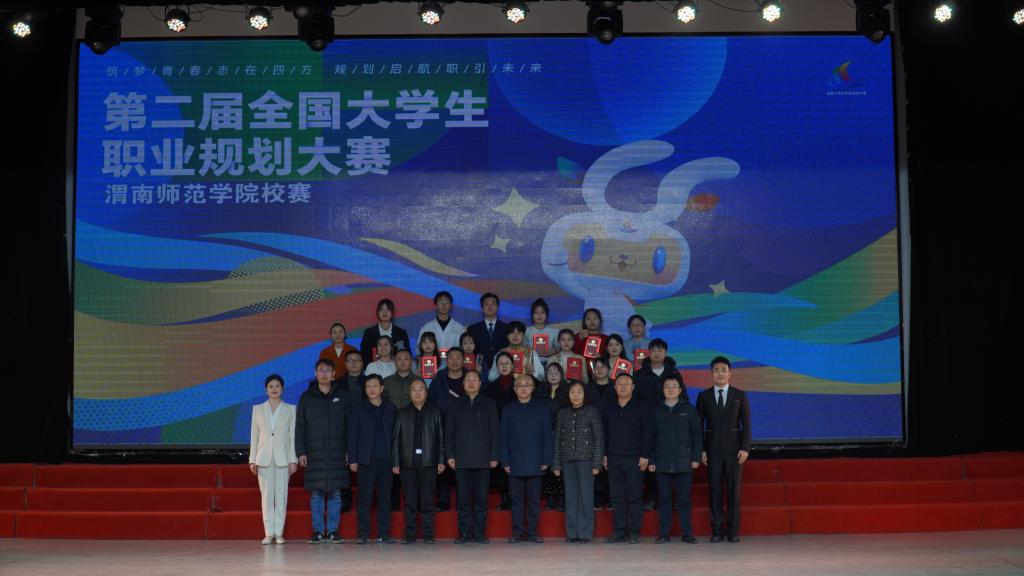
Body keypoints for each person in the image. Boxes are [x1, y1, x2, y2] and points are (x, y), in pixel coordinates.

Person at [696, 356, 751, 543]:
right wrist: (701, 450)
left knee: (733, 492)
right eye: (716, 370)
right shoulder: (703, 396)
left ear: (730, 373)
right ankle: (717, 531)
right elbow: (699, 426)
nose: (720, 373)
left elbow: (747, 425)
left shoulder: (740, 395)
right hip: (712, 451)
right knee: (715, 491)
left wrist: (745, 448)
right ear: (711, 373)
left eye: (723, 370)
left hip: (735, 452)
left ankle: (733, 531)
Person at [295, 359, 351, 544]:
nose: (324, 373)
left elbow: (350, 426)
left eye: (328, 370)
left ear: (334, 374)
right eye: (321, 370)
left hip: (338, 451)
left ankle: (333, 531)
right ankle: (318, 531)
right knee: (317, 494)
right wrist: (301, 451)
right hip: (314, 452)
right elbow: (300, 427)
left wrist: (349, 451)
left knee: (335, 493)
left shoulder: (343, 396)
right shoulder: (306, 397)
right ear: (315, 373)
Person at [445, 370, 500, 544]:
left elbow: (495, 432)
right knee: (462, 499)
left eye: (474, 380)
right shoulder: (455, 404)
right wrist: (449, 454)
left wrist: (494, 455)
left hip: (483, 460)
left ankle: (479, 533)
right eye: (467, 380)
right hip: (461, 460)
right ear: (463, 384)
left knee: (481, 499)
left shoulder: (489, 404)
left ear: (480, 383)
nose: (471, 383)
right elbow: (449, 432)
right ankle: (464, 533)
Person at [391, 379, 445, 544]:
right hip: (407, 463)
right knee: (410, 501)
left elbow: (441, 439)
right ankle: (410, 535)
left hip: (429, 462)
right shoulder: (401, 413)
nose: (417, 393)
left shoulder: (435, 412)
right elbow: (395, 440)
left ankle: (428, 535)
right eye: (414, 390)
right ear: (410, 393)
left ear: (426, 393)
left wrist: (441, 460)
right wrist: (395, 462)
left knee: (428, 500)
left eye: (421, 389)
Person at [501, 374, 552, 544]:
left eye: (527, 384)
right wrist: (505, 460)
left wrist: (546, 459)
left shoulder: (542, 408)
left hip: (536, 461)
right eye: (519, 385)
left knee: (533, 501)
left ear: (532, 388)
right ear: (515, 389)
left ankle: (532, 532)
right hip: (514, 462)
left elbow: (547, 436)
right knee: (516, 501)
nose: (523, 388)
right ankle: (517, 532)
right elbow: (503, 437)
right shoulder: (508, 409)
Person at [649, 375, 701, 544]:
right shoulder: (656, 410)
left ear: (680, 390)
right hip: (662, 463)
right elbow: (651, 438)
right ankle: (664, 534)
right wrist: (652, 460)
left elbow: (697, 436)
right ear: (662, 390)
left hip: (684, 462)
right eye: (667, 386)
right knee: (664, 500)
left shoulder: (689, 409)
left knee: (684, 501)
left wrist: (696, 457)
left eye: (674, 386)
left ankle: (687, 534)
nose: (670, 389)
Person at [249, 374, 298, 545]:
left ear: (283, 389)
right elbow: (254, 436)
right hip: (263, 458)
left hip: (283, 458)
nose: (274, 389)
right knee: (267, 497)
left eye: (277, 386)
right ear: (266, 390)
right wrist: (252, 459)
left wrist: (293, 460)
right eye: (271, 386)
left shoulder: (291, 409)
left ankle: (279, 533)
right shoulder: (257, 409)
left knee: (281, 497)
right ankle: (269, 533)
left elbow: (292, 436)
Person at [602, 373, 651, 545]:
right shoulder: (609, 407)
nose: (623, 386)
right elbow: (605, 432)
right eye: (620, 384)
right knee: (616, 497)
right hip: (613, 457)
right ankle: (619, 531)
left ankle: (634, 531)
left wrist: (645, 455)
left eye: (627, 384)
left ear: (633, 387)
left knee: (634, 496)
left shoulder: (642, 407)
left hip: (635, 458)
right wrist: (605, 454)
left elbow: (647, 432)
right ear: (615, 387)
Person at [348, 374, 397, 544]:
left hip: (387, 461)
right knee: (364, 499)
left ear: (382, 388)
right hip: (365, 460)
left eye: (375, 386)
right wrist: (353, 459)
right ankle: (363, 534)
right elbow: (352, 435)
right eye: (368, 387)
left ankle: (384, 533)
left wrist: (396, 460)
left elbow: (397, 436)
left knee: (385, 499)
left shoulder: (391, 408)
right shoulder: (358, 408)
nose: (371, 389)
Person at [553, 381, 603, 543]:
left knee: (586, 498)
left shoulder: (592, 412)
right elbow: (557, 439)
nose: (575, 395)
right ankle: (572, 533)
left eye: (579, 392)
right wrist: (556, 463)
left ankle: (585, 534)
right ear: (567, 395)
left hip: (587, 460)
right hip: (567, 460)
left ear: (585, 394)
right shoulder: (562, 413)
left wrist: (597, 463)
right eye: (572, 392)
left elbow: (599, 439)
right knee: (571, 498)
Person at [484, 351, 518, 511]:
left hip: (517, 431)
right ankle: (505, 499)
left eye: (507, 363)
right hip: (497, 430)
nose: (504, 366)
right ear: (496, 367)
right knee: (501, 466)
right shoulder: (490, 387)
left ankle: (516, 497)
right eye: (501, 364)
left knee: (516, 464)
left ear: (513, 366)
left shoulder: (520, 385)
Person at [467, 292, 508, 375]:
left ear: (498, 307)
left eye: (493, 304)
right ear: (482, 308)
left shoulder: (507, 328)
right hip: (480, 372)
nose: (490, 307)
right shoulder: (472, 329)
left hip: (502, 371)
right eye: (486, 304)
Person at [360, 298, 411, 364]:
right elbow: (364, 356)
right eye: (382, 310)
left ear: (392, 312)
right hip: (374, 368)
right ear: (377, 312)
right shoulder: (369, 333)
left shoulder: (401, 333)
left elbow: (408, 355)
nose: (384, 312)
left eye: (388, 310)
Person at [524, 298, 559, 367]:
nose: (539, 315)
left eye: (542, 312)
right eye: (536, 312)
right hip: (531, 366)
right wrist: (531, 351)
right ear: (532, 315)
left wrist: (552, 352)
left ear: (547, 314)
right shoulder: (526, 331)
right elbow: (522, 349)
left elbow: (560, 349)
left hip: (550, 366)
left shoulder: (555, 332)